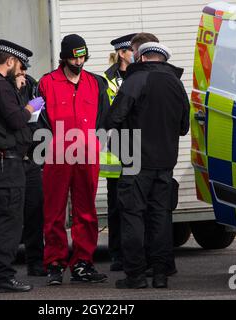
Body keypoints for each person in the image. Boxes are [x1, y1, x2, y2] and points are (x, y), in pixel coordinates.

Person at [106, 41, 190, 289]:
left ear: (141, 58)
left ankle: (136, 276)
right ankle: (161, 275)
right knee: (161, 218)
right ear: (162, 60)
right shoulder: (176, 83)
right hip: (165, 163)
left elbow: (114, 116)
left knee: (133, 216)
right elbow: (184, 127)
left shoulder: (136, 80)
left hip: (136, 162)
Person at [38, 34, 109, 285]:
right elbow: (37, 118)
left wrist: (96, 143)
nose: (79, 61)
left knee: (86, 209)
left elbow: (104, 118)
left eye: (82, 56)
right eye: (74, 56)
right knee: (54, 210)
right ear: (64, 57)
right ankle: (55, 264)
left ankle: (82, 263)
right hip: (57, 154)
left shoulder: (96, 83)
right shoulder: (46, 83)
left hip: (87, 154)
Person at [0, 40, 45, 293]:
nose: (22, 71)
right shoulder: (1, 89)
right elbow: (17, 120)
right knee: (9, 221)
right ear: (10, 62)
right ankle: (3, 276)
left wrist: (15, 93)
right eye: (20, 65)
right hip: (7, 163)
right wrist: (30, 106)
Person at [102, 33, 136, 272]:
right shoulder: (106, 80)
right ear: (122, 53)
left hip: (137, 145)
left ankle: (135, 250)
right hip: (115, 147)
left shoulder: (140, 74)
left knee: (136, 202)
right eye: (132, 50)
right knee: (116, 204)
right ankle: (117, 253)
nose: (136, 53)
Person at [12, 72, 46, 277]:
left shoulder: (33, 85)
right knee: (11, 214)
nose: (23, 74)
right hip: (11, 157)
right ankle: (4, 266)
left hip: (32, 157)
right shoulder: (3, 89)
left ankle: (35, 261)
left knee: (35, 212)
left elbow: (41, 120)